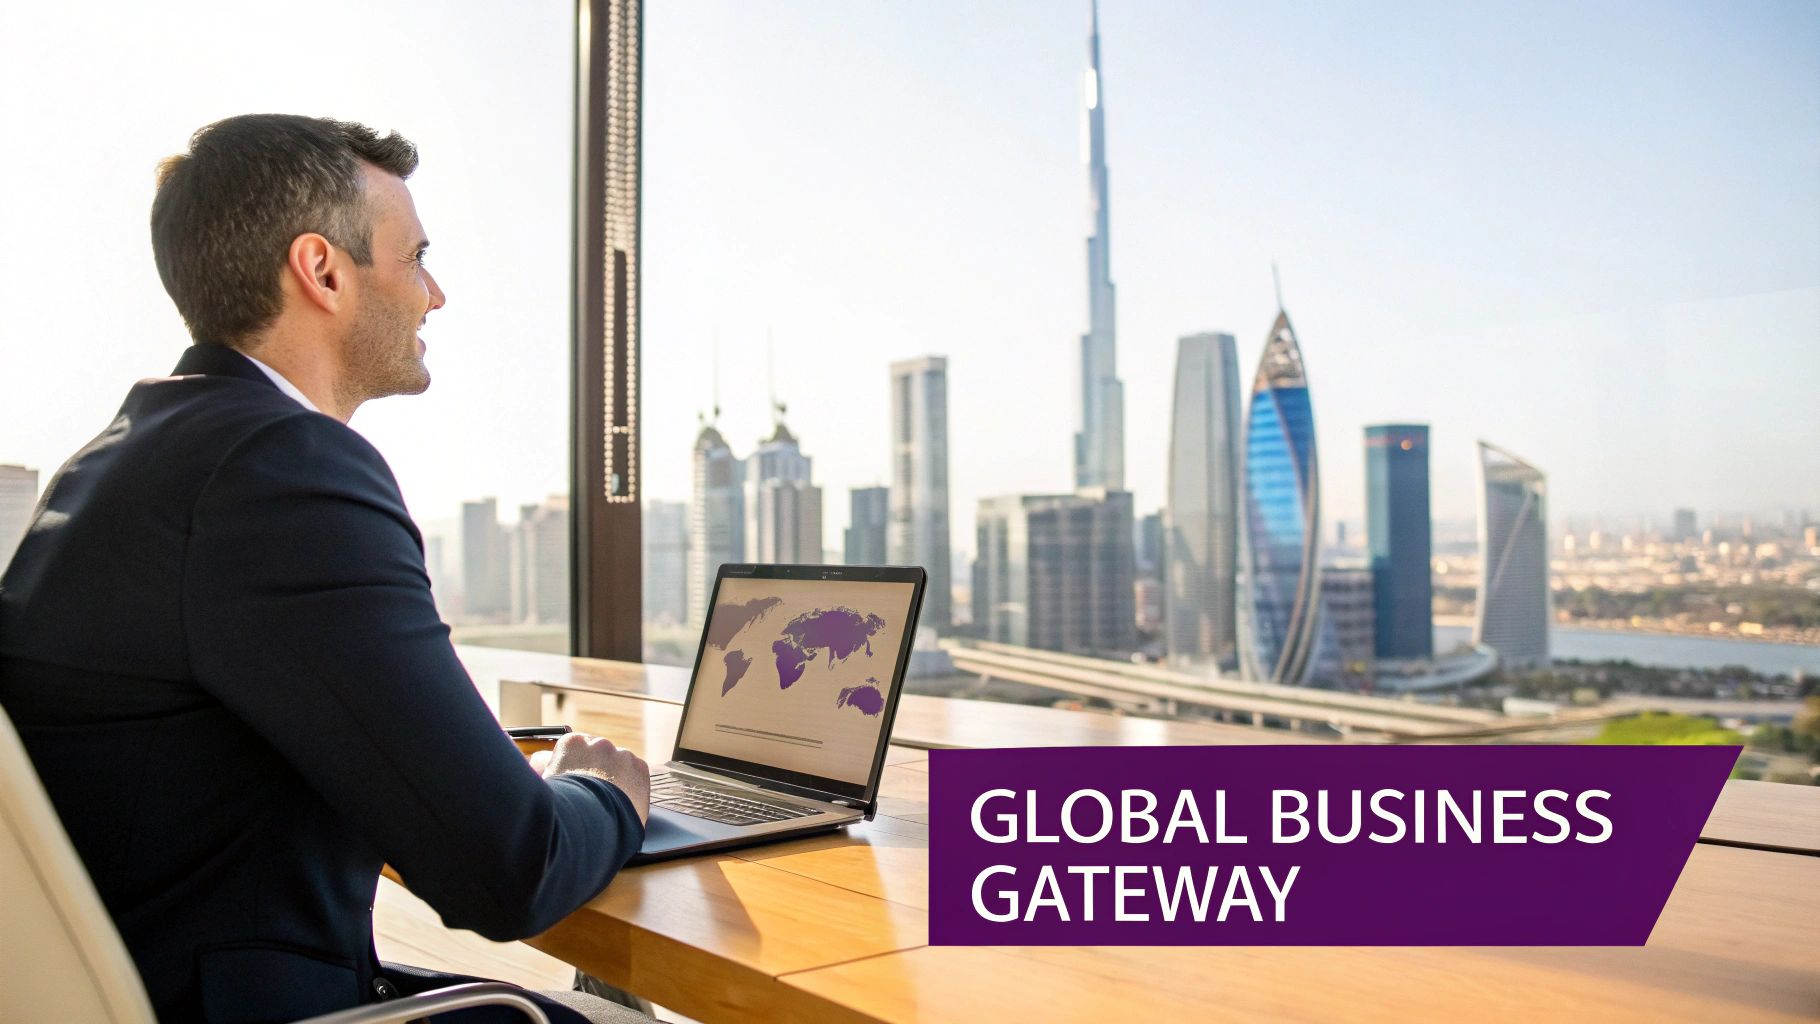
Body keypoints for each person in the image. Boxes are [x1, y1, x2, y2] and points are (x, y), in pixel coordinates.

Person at [0, 114, 653, 1024]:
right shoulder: (279, 472)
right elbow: (511, 872)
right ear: (323, 271)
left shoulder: (125, 456)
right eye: (415, 257)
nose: (436, 294)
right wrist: (609, 792)